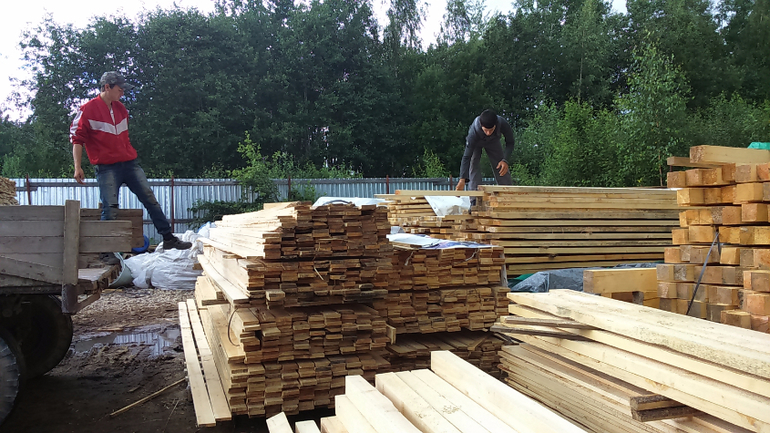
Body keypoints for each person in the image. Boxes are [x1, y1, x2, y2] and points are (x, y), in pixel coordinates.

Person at [70, 71, 191, 253]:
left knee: (150, 199)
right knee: (110, 208)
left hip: (129, 163)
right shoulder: (87, 110)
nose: (122, 93)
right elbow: (77, 139)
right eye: (119, 89)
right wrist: (77, 167)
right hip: (106, 167)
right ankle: (107, 252)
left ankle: (168, 239)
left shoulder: (121, 109)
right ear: (107, 87)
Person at [455, 109, 514, 195]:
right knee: (473, 164)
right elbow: (466, 156)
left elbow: (510, 142)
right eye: (486, 130)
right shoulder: (473, 132)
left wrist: (505, 160)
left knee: (501, 165)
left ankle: (508, 194)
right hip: (476, 142)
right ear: (481, 125)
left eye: (491, 130)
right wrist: (462, 179)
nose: (488, 133)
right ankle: (475, 197)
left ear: (496, 125)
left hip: (493, 141)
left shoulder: (502, 123)